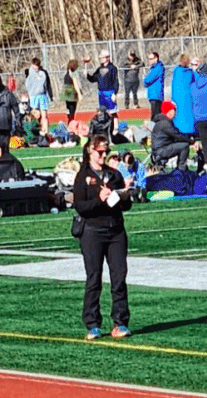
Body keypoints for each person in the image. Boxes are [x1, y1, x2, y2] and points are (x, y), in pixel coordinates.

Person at [74, 135, 132, 341]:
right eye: (100, 152)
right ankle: (92, 324)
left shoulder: (113, 174)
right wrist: (99, 200)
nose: (103, 155)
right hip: (92, 231)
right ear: (91, 152)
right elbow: (80, 206)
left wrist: (125, 195)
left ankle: (120, 322)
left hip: (115, 230)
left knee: (119, 277)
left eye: (106, 151)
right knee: (94, 278)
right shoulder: (83, 177)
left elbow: (126, 205)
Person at [85, 50, 120, 131]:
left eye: (102, 58)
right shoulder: (99, 68)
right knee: (102, 112)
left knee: (113, 111)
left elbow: (115, 81)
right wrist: (87, 75)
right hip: (101, 93)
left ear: (107, 58)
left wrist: (114, 93)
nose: (101, 59)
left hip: (109, 92)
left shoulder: (112, 68)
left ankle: (115, 128)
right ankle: (105, 127)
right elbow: (93, 79)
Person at [151, 101, 190, 170]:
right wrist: (191, 140)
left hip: (159, 149)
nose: (175, 113)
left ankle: (181, 168)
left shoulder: (162, 121)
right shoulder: (165, 123)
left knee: (181, 144)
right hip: (161, 150)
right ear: (169, 112)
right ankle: (181, 169)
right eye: (174, 110)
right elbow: (177, 135)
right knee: (185, 146)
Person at [24, 57, 52, 135]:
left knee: (44, 116)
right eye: (34, 65)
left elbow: (46, 85)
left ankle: (45, 132)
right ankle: (36, 131)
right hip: (33, 96)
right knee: (35, 115)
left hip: (42, 96)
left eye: (37, 65)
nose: (36, 67)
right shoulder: (29, 73)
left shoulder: (43, 73)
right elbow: (28, 85)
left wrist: (49, 95)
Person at [171, 55, 197, 136]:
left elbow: (174, 85)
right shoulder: (191, 73)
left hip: (178, 98)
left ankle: (180, 131)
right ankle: (191, 131)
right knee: (189, 115)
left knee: (179, 115)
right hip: (189, 97)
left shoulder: (177, 71)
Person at [143, 52, 165, 119]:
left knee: (155, 116)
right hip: (153, 94)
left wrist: (144, 80)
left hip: (156, 95)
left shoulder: (158, 68)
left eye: (151, 59)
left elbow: (148, 80)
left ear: (156, 59)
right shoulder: (153, 68)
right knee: (155, 115)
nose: (149, 60)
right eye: (149, 59)